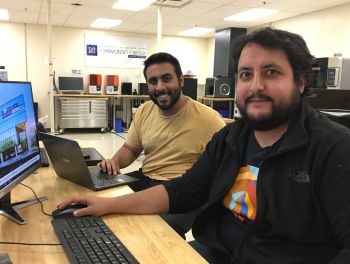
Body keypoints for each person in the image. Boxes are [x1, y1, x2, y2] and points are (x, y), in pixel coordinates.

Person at [59, 27, 350, 263]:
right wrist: (107, 205)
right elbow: (185, 190)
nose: (256, 85)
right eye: (246, 74)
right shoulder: (232, 138)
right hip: (216, 251)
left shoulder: (333, 148)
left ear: (299, 82)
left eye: (271, 72)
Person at [97, 52, 225, 238]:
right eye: (153, 81)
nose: (160, 87)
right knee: (103, 205)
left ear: (181, 80)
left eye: (167, 79)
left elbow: (221, 171)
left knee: (153, 231)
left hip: (181, 190)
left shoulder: (209, 120)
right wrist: (114, 161)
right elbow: (130, 149)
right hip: (146, 178)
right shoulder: (144, 110)